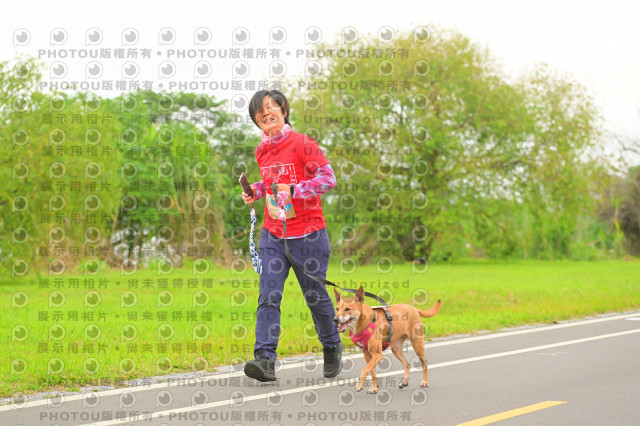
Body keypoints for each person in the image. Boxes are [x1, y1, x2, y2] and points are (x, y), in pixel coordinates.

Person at [240, 89, 343, 382]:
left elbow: (328, 179)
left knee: (315, 297)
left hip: (309, 235)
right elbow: (271, 183)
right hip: (273, 235)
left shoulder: (303, 143)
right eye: (259, 112)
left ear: (284, 110)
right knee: (269, 295)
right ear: (256, 120)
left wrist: (295, 190)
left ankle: (332, 344)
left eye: (271, 107)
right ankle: (265, 360)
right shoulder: (261, 151)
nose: (265, 114)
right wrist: (255, 191)